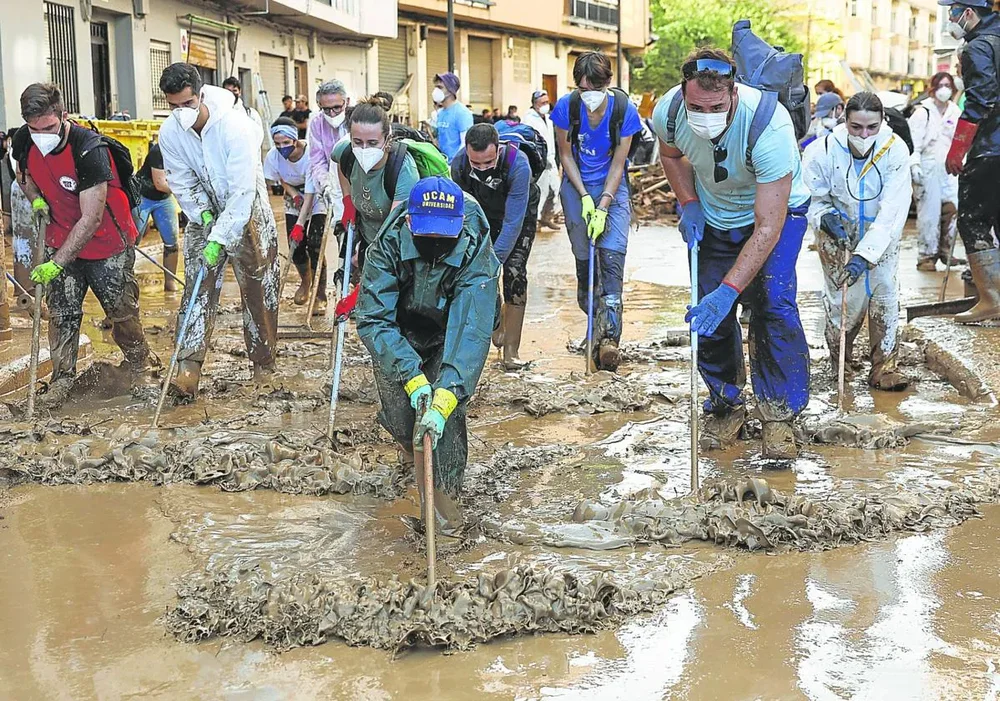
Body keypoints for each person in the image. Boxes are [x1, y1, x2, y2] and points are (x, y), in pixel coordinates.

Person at [652, 48, 813, 459]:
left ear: (734, 93)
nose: (705, 114)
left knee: (773, 303)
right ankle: (726, 403)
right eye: (696, 107)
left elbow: (768, 226)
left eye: (716, 107)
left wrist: (731, 289)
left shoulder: (768, 127)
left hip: (777, 214)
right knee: (709, 313)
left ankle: (778, 416)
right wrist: (687, 201)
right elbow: (671, 155)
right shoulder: (669, 112)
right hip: (713, 214)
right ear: (684, 95)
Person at [355, 176, 498, 545]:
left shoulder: (473, 239)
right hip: (397, 332)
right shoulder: (386, 243)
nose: (436, 244)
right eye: (427, 234)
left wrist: (445, 395)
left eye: (444, 236)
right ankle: (409, 449)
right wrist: (412, 377)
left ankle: (445, 518)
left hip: (448, 329)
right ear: (408, 222)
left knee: (442, 422)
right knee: (404, 422)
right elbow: (373, 318)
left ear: (460, 224)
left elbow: (472, 327)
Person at [11, 82, 154, 404]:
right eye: (34, 128)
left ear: (63, 116)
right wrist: (35, 200)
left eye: (47, 127)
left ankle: (141, 368)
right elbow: (24, 175)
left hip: (107, 243)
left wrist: (56, 263)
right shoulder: (24, 139)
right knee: (62, 314)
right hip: (59, 235)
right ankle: (62, 380)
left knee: (121, 312)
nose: (41, 135)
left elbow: (90, 218)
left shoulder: (89, 149)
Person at [157, 62, 280, 398]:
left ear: (200, 95)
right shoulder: (169, 133)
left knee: (258, 287)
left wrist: (223, 235)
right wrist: (204, 214)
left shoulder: (235, 126)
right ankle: (187, 370)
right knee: (197, 288)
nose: (181, 112)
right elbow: (181, 180)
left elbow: (242, 191)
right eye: (173, 106)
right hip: (205, 211)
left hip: (247, 208)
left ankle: (263, 364)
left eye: (187, 104)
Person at [803, 92, 912, 392]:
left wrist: (866, 254)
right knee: (842, 299)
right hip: (838, 233)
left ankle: (885, 366)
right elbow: (810, 195)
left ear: (882, 122)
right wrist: (824, 216)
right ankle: (842, 360)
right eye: (856, 127)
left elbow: (893, 209)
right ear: (845, 120)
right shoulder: (823, 149)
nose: (864, 135)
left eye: (871, 128)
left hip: (882, 234)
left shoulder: (895, 150)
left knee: (884, 292)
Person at [552, 51, 641, 371]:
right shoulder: (567, 107)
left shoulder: (624, 111)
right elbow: (565, 154)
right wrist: (584, 198)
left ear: (608, 84)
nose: (590, 96)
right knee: (586, 264)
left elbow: (619, 163)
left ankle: (610, 342)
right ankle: (593, 327)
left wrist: (603, 202)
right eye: (584, 89)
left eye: (596, 88)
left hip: (613, 191)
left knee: (612, 260)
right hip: (576, 190)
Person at [451, 123, 539, 369]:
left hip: (518, 214)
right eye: (475, 164)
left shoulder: (518, 165)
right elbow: (463, 214)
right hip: (481, 212)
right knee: (476, 268)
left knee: (514, 271)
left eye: (487, 163)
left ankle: (512, 350)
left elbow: (512, 223)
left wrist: (493, 260)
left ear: (498, 150)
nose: (481, 169)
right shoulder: (458, 165)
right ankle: (497, 318)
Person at [940, 0, 1000, 323]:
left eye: (953, 11)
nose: (950, 17)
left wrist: (957, 149)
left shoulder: (977, 47)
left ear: (969, 12)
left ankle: (992, 299)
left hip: (991, 149)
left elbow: (980, 101)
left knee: (973, 219)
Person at [333, 97, 420, 271]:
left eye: (372, 143)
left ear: (387, 139)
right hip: (367, 234)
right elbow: (340, 166)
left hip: (397, 247)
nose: (364, 149)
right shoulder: (346, 153)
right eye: (357, 142)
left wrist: (368, 257)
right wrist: (347, 200)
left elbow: (393, 227)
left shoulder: (403, 171)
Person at [264, 118, 327, 312]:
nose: (282, 147)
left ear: (295, 140)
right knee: (296, 245)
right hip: (295, 195)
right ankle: (305, 282)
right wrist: (293, 195)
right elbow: (281, 179)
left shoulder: (311, 154)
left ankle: (320, 294)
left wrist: (302, 222)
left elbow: (310, 190)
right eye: (277, 144)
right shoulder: (273, 157)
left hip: (316, 194)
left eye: (285, 142)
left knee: (315, 244)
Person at [909, 72, 964, 271]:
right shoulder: (923, 112)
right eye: (940, 85)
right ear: (932, 87)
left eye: (948, 85)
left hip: (948, 167)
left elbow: (959, 140)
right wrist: (914, 164)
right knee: (929, 213)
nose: (944, 89)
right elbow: (913, 142)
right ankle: (926, 256)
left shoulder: (955, 112)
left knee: (951, 209)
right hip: (928, 166)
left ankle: (945, 250)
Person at [133, 141, 180, 291]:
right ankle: (126, 278)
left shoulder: (187, 151)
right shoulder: (158, 150)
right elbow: (160, 183)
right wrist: (184, 189)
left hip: (164, 199)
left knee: (172, 242)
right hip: (143, 196)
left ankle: (170, 282)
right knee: (132, 241)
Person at [307, 79, 350, 229]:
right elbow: (317, 160)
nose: (332, 113)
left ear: (347, 101)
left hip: (358, 186)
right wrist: (326, 186)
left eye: (337, 107)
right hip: (333, 187)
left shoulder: (357, 119)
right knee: (342, 234)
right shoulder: (316, 123)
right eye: (326, 109)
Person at [522, 89, 562, 230]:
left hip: (550, 159)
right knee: (540, 191)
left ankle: (547, 217)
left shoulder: (549, 119)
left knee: (555, 189)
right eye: (542, 102)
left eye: (547, 102)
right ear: (535, 104)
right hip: (538, 160)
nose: (546, 105)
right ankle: (536, 220)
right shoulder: (528, 119)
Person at [431, 73, 474, 163]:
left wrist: (455, 165)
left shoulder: (462, 113)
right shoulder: (440, 113)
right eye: (436, 87)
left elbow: (465, 144)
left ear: (450, 90)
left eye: (440, 87)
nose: (436, 90)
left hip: (454, 166)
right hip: (442, 164)